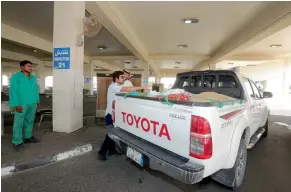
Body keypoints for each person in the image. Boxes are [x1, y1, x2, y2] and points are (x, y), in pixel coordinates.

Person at [98, 70, 146, 161]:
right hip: (110, 114)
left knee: (115, 133)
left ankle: (112, 150)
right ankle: (102, 151)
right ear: (116, 79)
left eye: (125, 77)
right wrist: (141, 87)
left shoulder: (120, 85)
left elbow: (128, 90)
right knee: (111, 133)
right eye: (122, 77)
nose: (124, 79)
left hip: (117, 114)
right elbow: (126, 89)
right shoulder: (113, 86)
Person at [9, 60, 40, 151]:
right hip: (22, 103)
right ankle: (17, 141)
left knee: (30, 121)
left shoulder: (33, 77)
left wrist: (37, 100)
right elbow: (13, 92)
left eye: (31, 66)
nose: (30, 68)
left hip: (32, 102)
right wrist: (16, 104)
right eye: (28, 66)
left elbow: (35, 89)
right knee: (18, 123)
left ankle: (28, 137)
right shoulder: (16, 77)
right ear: (22, 67)